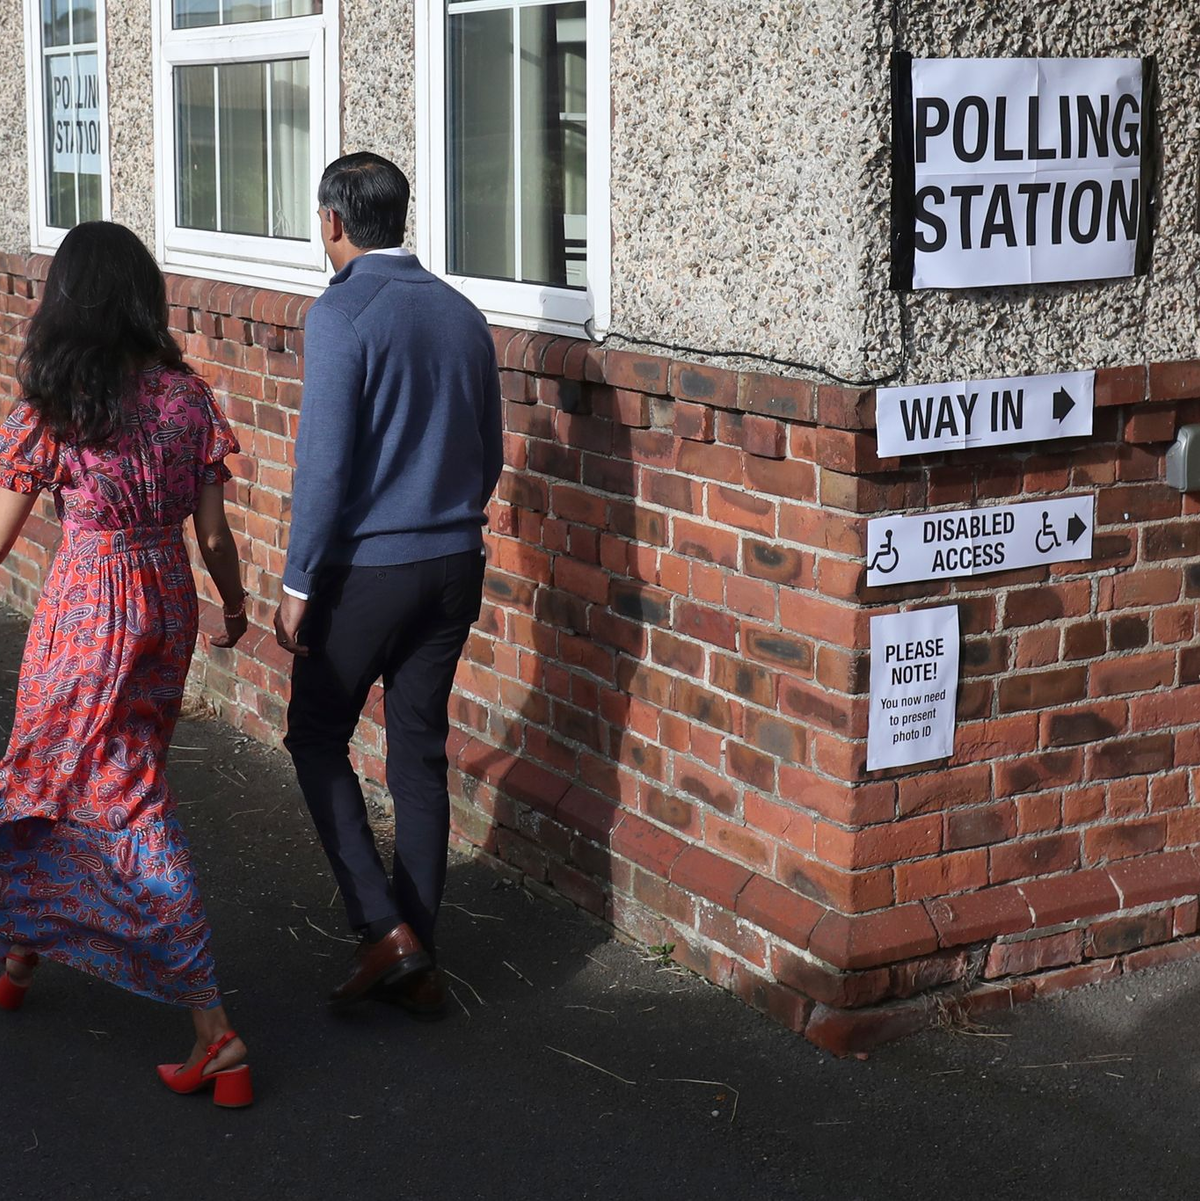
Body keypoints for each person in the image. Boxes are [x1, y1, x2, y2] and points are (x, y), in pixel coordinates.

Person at [0, 222, 254, 1107]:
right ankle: (24, 947)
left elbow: (1, 534)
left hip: (86, 608)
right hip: (165, 598)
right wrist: (236, 603)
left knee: (99, 786)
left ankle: (213, 1029)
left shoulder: (55, 397)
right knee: (83, 772)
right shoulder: (188, 398)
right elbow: (213, 533)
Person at [274, 152, 502, 1018]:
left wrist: (299, 580)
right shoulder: (464, 312)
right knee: (418, 747)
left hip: (370, 570)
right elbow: (491, 455)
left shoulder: (341, 313)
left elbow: (323, 465)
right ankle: (418, 952)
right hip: (457, 566)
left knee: (317, 734)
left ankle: (380, 927)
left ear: (333, 222)